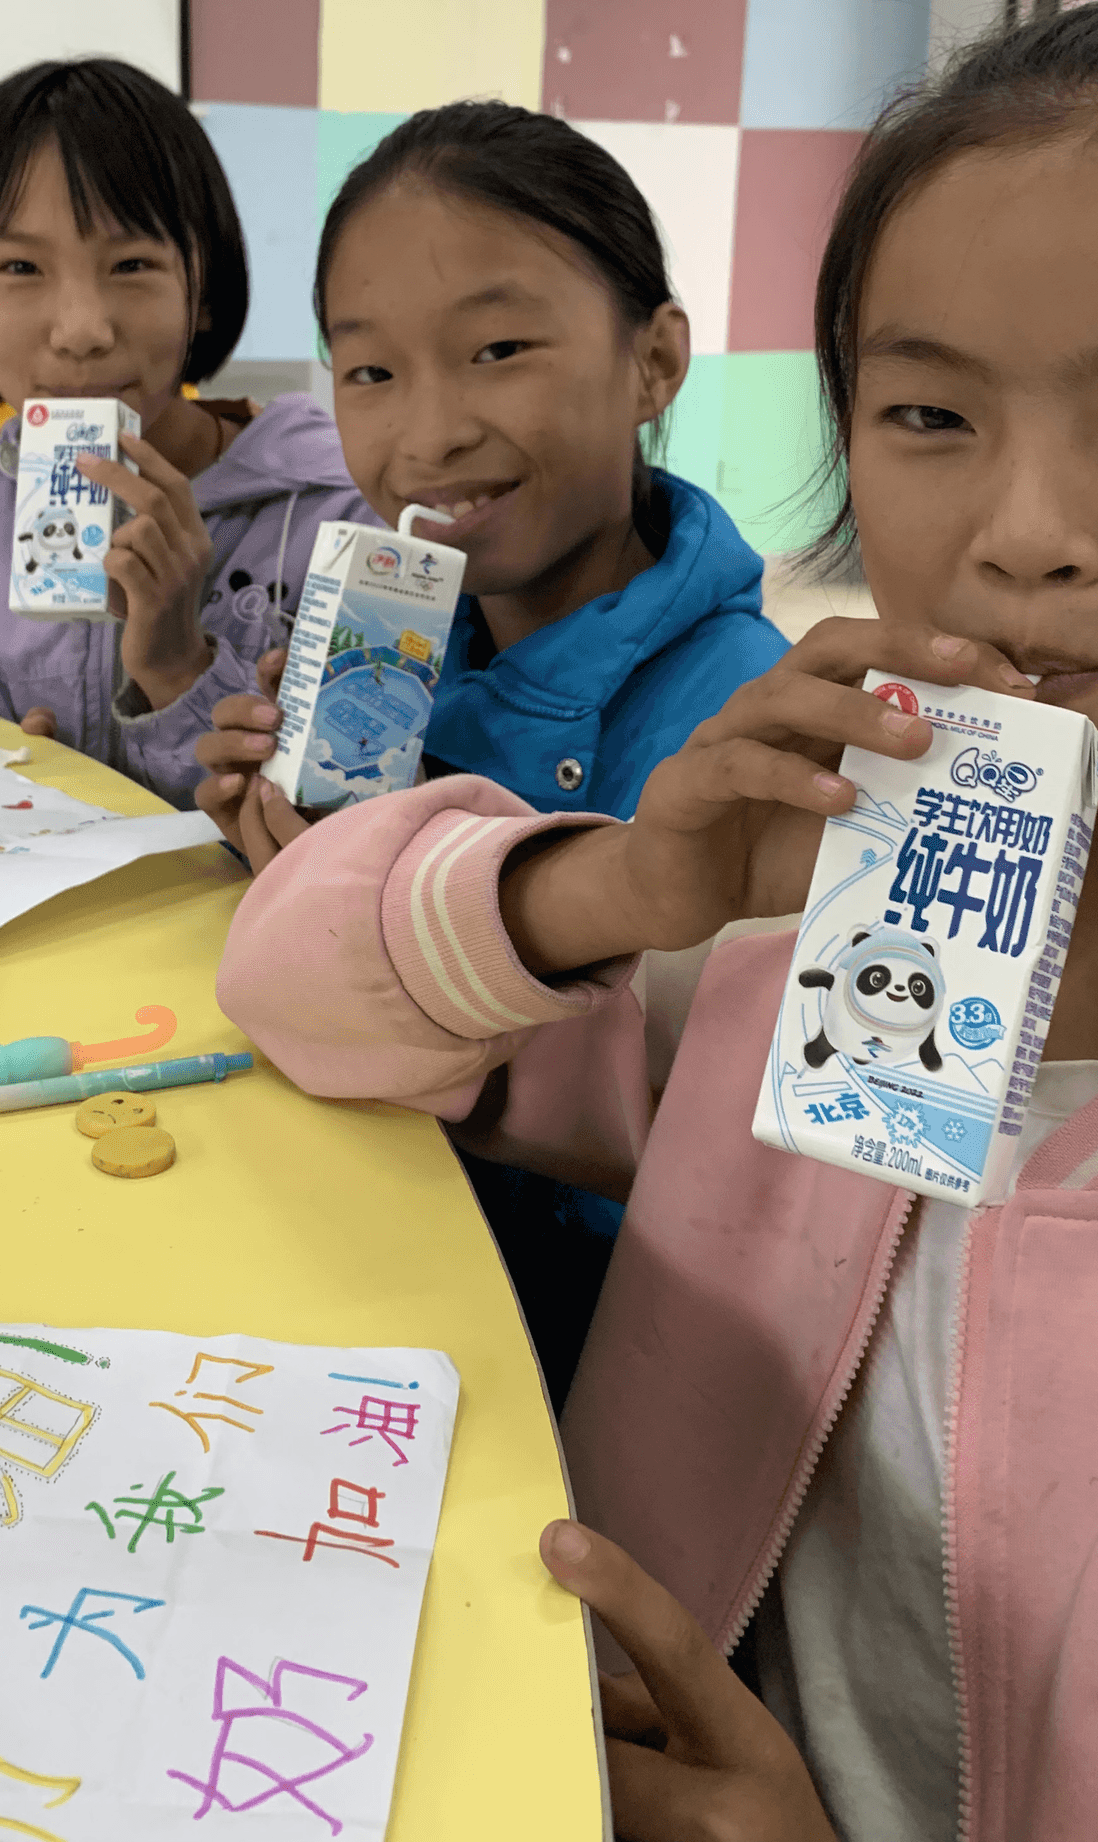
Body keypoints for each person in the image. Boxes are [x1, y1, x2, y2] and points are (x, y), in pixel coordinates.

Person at [216, 0, 1098, 1839]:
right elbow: (297, 981)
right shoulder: (808, 929)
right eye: (930, 415)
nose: (1024, 530)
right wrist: (630, 881)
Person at [196, 102, 788, 1402]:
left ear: (655, 362)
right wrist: (281, 848)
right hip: (361, 1276)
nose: (430, 433)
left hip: (588, 1371)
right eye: (370, 372)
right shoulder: (396, 661)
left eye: (499, 350)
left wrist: (363, 914)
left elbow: (710, 1153)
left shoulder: (749, 738)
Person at [0, 56, 373, 802]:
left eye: (131, 265)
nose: (82, 331)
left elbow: (353, 829)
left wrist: (179, 666)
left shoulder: (341, 521)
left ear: (203, 292)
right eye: (21, 267)